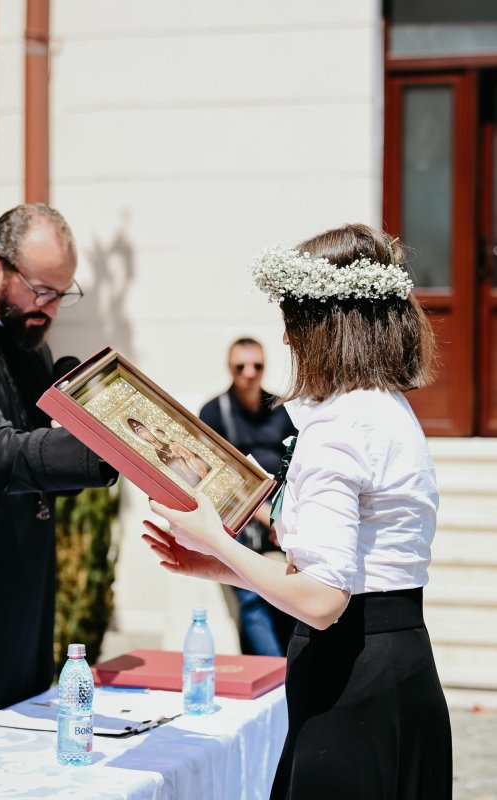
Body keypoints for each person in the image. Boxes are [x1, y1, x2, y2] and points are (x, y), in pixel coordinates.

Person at [142, 223, 452, 799]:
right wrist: (219, 567)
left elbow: (323, 600)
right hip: (403, 661)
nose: (286, 338)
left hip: (351, 681)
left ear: (325, 324)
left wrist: (218, 537)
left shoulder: (341, 426)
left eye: (294, 318)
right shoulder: (387, 407)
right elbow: (349, 572)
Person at [0, 203, 117, 736]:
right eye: (41, 291)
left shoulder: (30, 342)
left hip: (28, 591)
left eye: (62, 293)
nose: (52, 309)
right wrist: (103, 451)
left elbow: (44, 465)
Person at [199, 338, 297, 656]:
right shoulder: (215, 412)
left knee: (294, 596)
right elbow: (213, 477)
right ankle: (277, 674)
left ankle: (291, 669)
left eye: (257, 365)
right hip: (237, 518)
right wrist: (265, 514)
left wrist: (284, 515)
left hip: (283, 513)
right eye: (241, 366)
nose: (249, 373)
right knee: (252, 598)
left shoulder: (282, 408)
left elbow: (298, 463)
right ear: (230, 368)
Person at [126, 418, 210, 488]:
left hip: (191, 464)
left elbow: (183, 449)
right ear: (141, 437)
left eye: (144, 430)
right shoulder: (156, 453)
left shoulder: (166, 441)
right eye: (141, 433)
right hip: (184, 476)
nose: (146, 434)